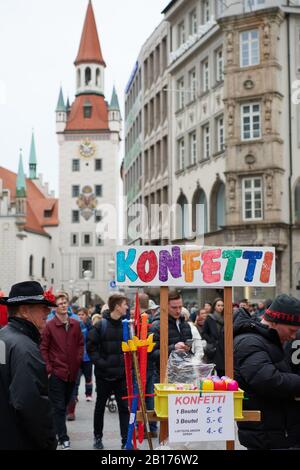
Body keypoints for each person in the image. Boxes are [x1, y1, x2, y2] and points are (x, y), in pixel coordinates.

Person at [234, 294, 300, 450]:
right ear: (275, 322)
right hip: (266, 435)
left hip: (278, 430)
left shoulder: (268, 339)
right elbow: (268, 380)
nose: (292, 336)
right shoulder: (249, 341)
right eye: (291, 330)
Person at [0, 281, 57, 450]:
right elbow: (29, 404)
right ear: (24, 311)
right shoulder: (25, 347)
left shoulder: (4, 337)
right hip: (19, 439)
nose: (48, 312)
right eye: (42, 307)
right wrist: (49, 442)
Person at [40, 293, 84, 450]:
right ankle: (63, 438)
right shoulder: (49, 326)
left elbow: (80, 344)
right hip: (57, 373)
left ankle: (55, 431)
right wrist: (49, 369)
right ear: (55, 308)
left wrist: (78, 360)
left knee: (64, 405)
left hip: (72, 373)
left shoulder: (75, 324)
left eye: (65, 302)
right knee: (58, 407)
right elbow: (43, 348)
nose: (64, 305)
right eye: (60, 303)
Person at [87, 293, 130, 450]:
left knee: (124, 408)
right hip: (104, 376)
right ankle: (97, 437)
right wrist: (101, 363)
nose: (127, 307)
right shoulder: (100, 325)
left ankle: (125, 440)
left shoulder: (126, 326)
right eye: (124, 304)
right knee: (100, 407)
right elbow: (91, 348)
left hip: (121, 376)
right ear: (117, 306)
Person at [150, 290, 193, 372]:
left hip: (184, 373)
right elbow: (152, 354)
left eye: (180, 307)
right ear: (165, 306)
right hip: (164, 375)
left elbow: (189, 351)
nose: (178, 311)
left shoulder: (185, 324)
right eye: (174, 307)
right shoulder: (156, 326)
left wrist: (188, 349)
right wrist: (173, 348)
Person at [67, 308, 94, 421]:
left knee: (88, 377)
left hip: (87, 357)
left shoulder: (89, 325)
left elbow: (91, 339)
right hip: (77, 357)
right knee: (76, 378)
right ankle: (76, 395)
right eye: (79, 314)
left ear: (87, 315)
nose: (80, 316)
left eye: (82, 314)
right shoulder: (75, 325)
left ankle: (88, 394)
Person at [202, 298, 225, 375]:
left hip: (223, 348)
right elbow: (204, 333)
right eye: (218, 305)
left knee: (222, 371)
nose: (220, 307)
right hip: (213, 348)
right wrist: (211, 340)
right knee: (212, 371)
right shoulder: (210, 318)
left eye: (222, 305)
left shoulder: (226, 318)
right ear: (214, 306)